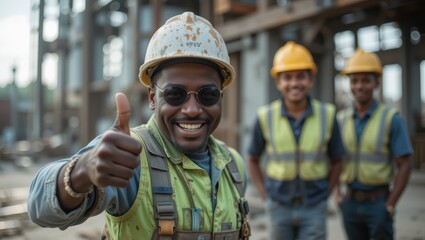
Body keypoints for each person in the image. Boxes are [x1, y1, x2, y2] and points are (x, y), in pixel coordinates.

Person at [27, 12, 251, 240]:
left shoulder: (234, 167)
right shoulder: (131, 158)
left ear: (221, 97)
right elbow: (39, 208)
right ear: (153, 98)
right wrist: (81, 171)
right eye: (175, 94)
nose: (192, 109)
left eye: (208, 94)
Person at [247, 41, 345, 240]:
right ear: (278, 82)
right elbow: (252, 158)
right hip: (278, 206)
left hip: (314, 207)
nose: (294, 83)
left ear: (310, 79)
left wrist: (325, 194)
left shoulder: (327, 115)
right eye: (287, 77)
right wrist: (265, 196)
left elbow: (338, 159)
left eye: (301, 76)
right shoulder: (265, 116)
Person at [336, 48, 413, 240]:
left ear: (377, 83)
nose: (359, 86)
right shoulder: (341, 120)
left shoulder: (391, 119)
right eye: (354, 81)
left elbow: (405, 164)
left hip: (379, 202)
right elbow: (334, 159)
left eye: (365, 80)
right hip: (350, 202)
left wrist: (391, 203)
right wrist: (338, 194)